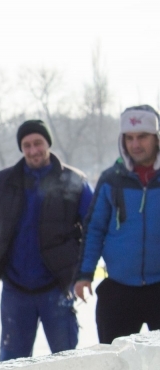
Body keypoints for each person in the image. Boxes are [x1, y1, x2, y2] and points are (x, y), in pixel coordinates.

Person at [0, 119, 93, 362]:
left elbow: (94, 225)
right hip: (16, 291)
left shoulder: (73, 180)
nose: (33, 150)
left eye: (38, 143)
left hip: (57, 288)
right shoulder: (4, 182)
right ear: (21, 148)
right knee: (12, 367)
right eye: (26, 145)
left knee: (67, 363)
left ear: (48, 143)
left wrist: (78, 266)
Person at [75, 105, 160, 343]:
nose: (135, 144)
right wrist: (84, 274)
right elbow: (94, 229)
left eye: (142, 136)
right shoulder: (111, 179)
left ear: (156, 137)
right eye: (129, 138)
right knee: (115, 364)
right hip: (120, 288)